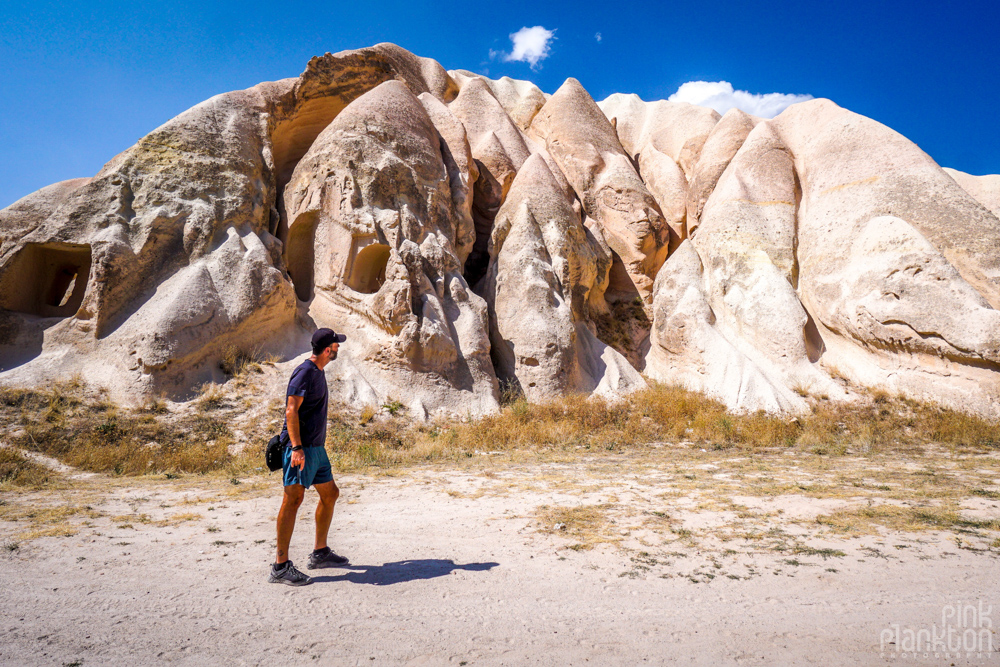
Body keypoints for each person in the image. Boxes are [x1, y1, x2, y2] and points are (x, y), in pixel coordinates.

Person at [268, 328, 350, 586]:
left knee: (330, 494)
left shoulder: (318, 371)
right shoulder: (305, 372)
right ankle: (280, 567)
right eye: (336, 345)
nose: (338, 348)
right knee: (293, 499)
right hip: (301, 449)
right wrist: (296, 447)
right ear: (328, 349)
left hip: (316, 449)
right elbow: (291, 411)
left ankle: (320, 552)